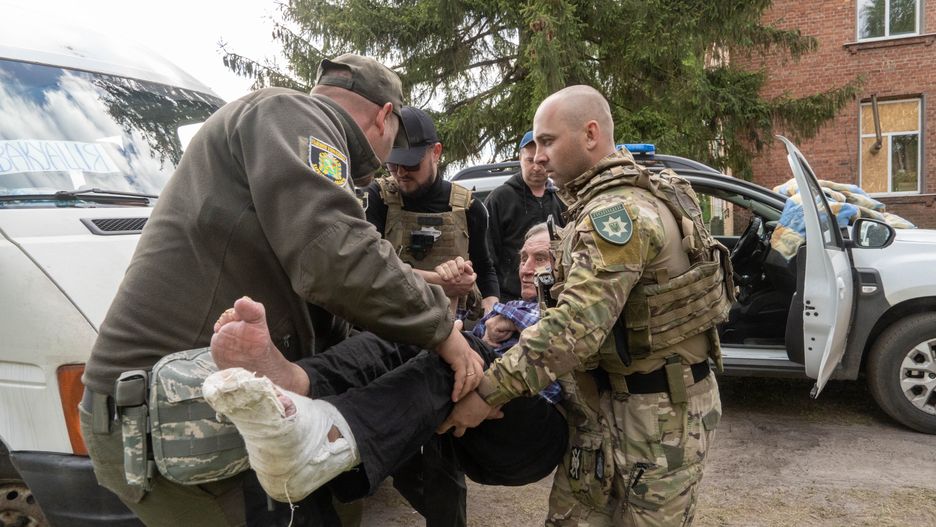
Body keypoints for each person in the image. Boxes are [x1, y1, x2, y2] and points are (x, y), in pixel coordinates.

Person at [78, 53, 482, 527]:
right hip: (170, 414)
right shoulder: (290, 113)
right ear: (386, 116)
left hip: (203, 401)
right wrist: (443, 332)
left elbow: (335, 268)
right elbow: (337, 255)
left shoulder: (288, 132)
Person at [441, 85, 735, 526]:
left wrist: (486, 392)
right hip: (602, 407)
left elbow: (574, 327)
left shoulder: (618, 214)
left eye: (547, 141)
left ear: (591, 134)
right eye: (536, 144)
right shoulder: (604, 202)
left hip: (656, 418)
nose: (537, 156)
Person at [199, 234, 569, 511]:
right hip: (474, 427)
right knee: (429, 337)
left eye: (540, 258)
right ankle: (299, 379)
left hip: (535, 432)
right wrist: (451, 317)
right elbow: (457, 336)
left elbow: (558, 345)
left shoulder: (566, 310)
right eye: (523, 257)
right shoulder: (506, 307)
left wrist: (487, 385)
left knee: (460, 350)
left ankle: (328, 437)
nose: (526, 266)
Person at [365, 106, 499, 319]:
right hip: (391, 325)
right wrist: (440, 282)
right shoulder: (377, 199)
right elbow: (371, 268)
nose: (400, 173)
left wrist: (492, 314)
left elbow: (484, 270)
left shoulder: (469, 208)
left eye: (411, 163)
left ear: (436, 152)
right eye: (392, 164)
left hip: (455, 324)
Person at [484, 130, 566, 301]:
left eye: (540, 161)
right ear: (520, 159)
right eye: (530, 160)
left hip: (555, 299)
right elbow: (487, 255)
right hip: (510, 298)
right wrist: (492, 298)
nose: (536, 167)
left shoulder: (560, 198)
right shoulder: (500, 198)